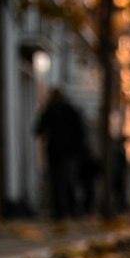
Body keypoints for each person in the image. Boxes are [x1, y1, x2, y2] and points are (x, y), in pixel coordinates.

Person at [34, 87, 85, 220]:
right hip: (67, 152)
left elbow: (39, 129)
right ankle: (69, 210)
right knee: (67, 180)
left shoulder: (51, 110)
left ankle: (61, 211)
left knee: (59, 181)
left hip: (58, 151)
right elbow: (80, 131)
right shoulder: (69, 110)